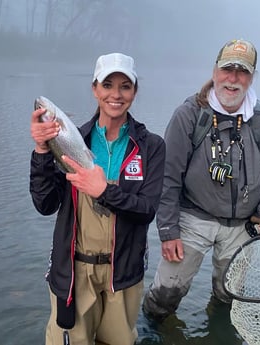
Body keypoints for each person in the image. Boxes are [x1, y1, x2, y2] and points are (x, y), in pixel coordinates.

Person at [142, 39, 260, 320]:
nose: (233, 78)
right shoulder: (189, 114)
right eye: (227, 69)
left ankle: (218, 329)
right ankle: (152, 331)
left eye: (242, 71)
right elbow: (168, 176)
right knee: (164, 297)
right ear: (214, 71)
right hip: (192, 220)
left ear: (252, 77)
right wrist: (168, 231)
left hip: (243, 227)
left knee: (228, 297)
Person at [30, 52, 165, 345]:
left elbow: (146, 210)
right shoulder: (71, 140)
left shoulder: (151, 146)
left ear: (135, 91)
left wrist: (104, 191)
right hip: (74, 273)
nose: (116, 94)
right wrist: (42, 150)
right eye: (107, 85)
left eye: (125, 86)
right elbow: (45, 204)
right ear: (94, 89)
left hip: (124, 273)